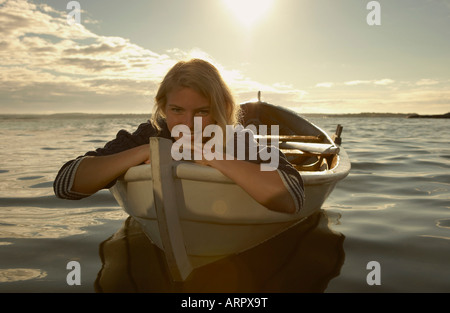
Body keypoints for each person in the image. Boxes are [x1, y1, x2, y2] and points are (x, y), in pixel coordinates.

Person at [54, 59, 304, 214]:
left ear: (223, 109)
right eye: (176, 110)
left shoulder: (240, 139)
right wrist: (148, 151)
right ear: (163, 107)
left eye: (202, 111)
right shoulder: (152, 133)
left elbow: (292, 197)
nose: (188, 123)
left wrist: (212, 157)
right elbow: (65, 185)